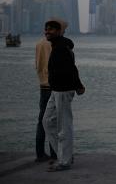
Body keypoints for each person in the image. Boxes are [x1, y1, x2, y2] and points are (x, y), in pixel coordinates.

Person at [43, 20, 85, 172]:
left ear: (59, 31)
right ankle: (65, 155)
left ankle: (64, 161)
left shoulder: (61, 47)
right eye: (46, 29)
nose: (47, 31)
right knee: (47, 121)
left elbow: (71, 68)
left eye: (51, 29)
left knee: (63, 126)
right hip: (55, 90)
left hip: (64, 90)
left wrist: (78, 85)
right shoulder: (57, 45)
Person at [35, 18, 66, 163]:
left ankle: (40, 153)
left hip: (43, 85)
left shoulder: (39, 44)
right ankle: (55, 154)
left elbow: (37, 65)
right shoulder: (59, 44)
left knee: (42, 120)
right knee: (56, 121)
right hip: (56, 86)